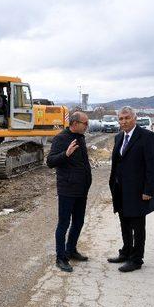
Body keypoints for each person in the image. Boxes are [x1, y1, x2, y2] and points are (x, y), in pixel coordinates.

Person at [107, 106, 154, 272]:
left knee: (138, 225)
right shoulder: (118, 138)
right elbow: (117, 163)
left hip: (138, 191)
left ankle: (137, 259)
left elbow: (152, 166)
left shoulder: (147, 137)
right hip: (120, 190)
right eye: (121, 119)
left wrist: (148, 190)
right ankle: (126, 251)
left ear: (134, 118)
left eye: (127, 118)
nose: (124, 122)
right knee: (124, 223)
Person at [46, 111, 92, 272]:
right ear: (74, 124)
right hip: (67, 189)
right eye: (85, 123)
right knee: (64, 224)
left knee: (78, 222)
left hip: (81, 189)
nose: (87, 126)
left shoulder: (81, 137)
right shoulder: (61, 138)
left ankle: (71, 250)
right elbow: (50, 161)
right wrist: (65, 154)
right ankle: (60, 257)